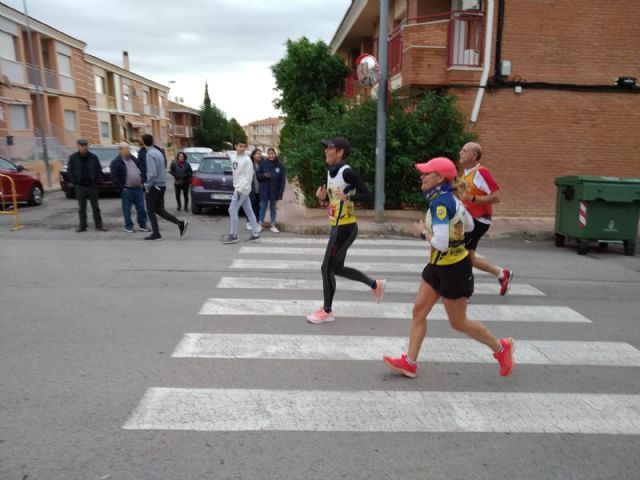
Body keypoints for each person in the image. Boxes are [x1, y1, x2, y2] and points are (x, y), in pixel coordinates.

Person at [383, 157, 514, 378]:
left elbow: (441, 243)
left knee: (459, 323)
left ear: (440, 178)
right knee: (419, 312)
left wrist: (424, 233)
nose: (422, 176)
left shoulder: (441, 203)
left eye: (427, 173)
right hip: (437, 266)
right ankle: (410, 363)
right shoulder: (450, 199)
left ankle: (501, 348)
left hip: (454, 270)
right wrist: (455, 231)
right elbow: (469, 225)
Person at [306, 137, 385, 324]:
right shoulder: (331, 172)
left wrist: (349, 197)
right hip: (337, 226)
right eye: (326, 148)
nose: (326, 151)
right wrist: (323, 198)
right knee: (336, 269)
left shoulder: (347, 172)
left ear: (340, 152)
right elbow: (336, 199)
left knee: (326, 268)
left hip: (345, 228)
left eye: (330, 148)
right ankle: (375, 284)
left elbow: (368, 194)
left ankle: (327, 311)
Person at [457, 142, 513, 295]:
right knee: (470, 257)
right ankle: (502, 274)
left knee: (460, 255)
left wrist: (472, 198)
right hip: (469, 220)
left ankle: (464, 292)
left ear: (473, 156)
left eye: (464, 150)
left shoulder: (481, 172)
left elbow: (496, 197)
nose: (460, 152)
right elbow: (463, 197)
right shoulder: (465, 172)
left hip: (479, 220)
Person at [141, 134, 188, 240]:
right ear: (152, 141)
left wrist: (147, 185)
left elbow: (152, 173)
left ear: (143, 142)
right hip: (162, 185)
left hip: (154, 186)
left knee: (150, 210)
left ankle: (156, 233)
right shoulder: (159, 152)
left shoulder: (149, 154)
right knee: (159, 209)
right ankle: (180, 223)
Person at [223, 141, 261, 244]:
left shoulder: (247, 160)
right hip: (239, 189)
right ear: (236, 146)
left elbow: (249, 176)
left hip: (241, 190)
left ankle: (234, 235)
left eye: (244, 146)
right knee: (249, 211)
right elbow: (228, 153)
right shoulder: (233, 156)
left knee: (232, 210)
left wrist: (241, 189)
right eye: (240, 146)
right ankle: (255, 234)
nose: (242, 148)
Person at [66, 139, 106, 232]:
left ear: (87, 146)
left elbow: (99, 170)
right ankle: (82, 226)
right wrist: (74, 182)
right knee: (82, 208)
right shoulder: (73, 157)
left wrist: (97, 182)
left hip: (92, 186)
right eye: (82, 145)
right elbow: (70, 171)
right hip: (80, 187)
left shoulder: (93, 157)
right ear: (78, 146)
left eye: (85, 145)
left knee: (96, 208)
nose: (84, 147)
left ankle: (99, 225)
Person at [110, 142, 151, 233]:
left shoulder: (134, 159)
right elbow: (115, 177)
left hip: (138, 188)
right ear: (120, 150)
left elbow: (142, 170)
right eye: (126, 149)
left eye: (128, 149)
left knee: (141, 208)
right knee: (127, 209)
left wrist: (142, 181)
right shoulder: (116, 162)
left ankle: (142, 225)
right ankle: (128, 226)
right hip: (127, 190)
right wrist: (122, 187)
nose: (128, 151)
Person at [257, 147, 286, 233]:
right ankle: (260, 224)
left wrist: (280, 192)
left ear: (275, 154)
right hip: (264, 190)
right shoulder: (263, 163)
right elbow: (258, 176)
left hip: (274, 190)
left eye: (272, 153)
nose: (271, 155)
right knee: (263, 207)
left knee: (273, 208)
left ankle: (273, 225)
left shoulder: (280, 165)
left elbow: (282, 180)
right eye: (269, 153)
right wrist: (264, 176)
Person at [245, 148, 262, 232]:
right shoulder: (249, 164)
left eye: (260, 154)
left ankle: (256, 222)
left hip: (259, 189)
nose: (259, 155)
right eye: (258, 154)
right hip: (251, 189)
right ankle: (248, 222)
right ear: (253, 155)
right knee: (251, 205)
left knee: (258, 206)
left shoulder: (262, 164)